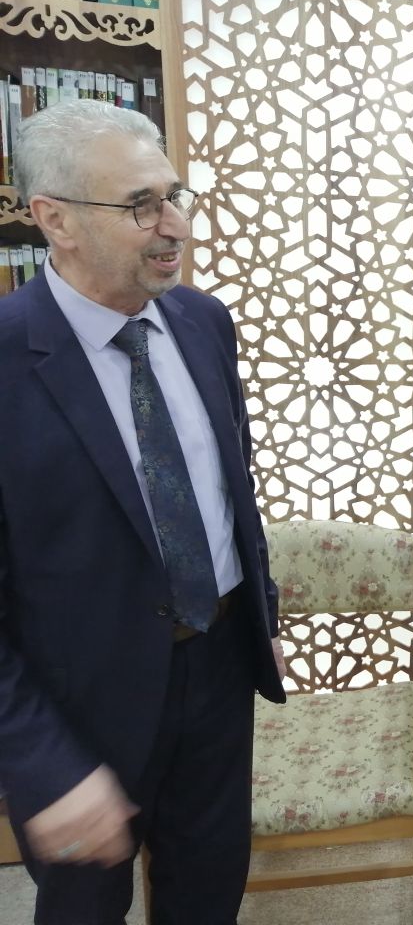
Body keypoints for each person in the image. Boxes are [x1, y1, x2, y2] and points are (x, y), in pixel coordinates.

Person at [0, 99, 286, 924]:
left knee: (208, 892)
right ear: (55, 219)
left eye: (174, 195)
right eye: (140, 206)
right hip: (80, 704)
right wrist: (41, 762)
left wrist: (258, 610)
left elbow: (231, 487)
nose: (176, 227)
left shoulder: (203, 322)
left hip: (219, 668)